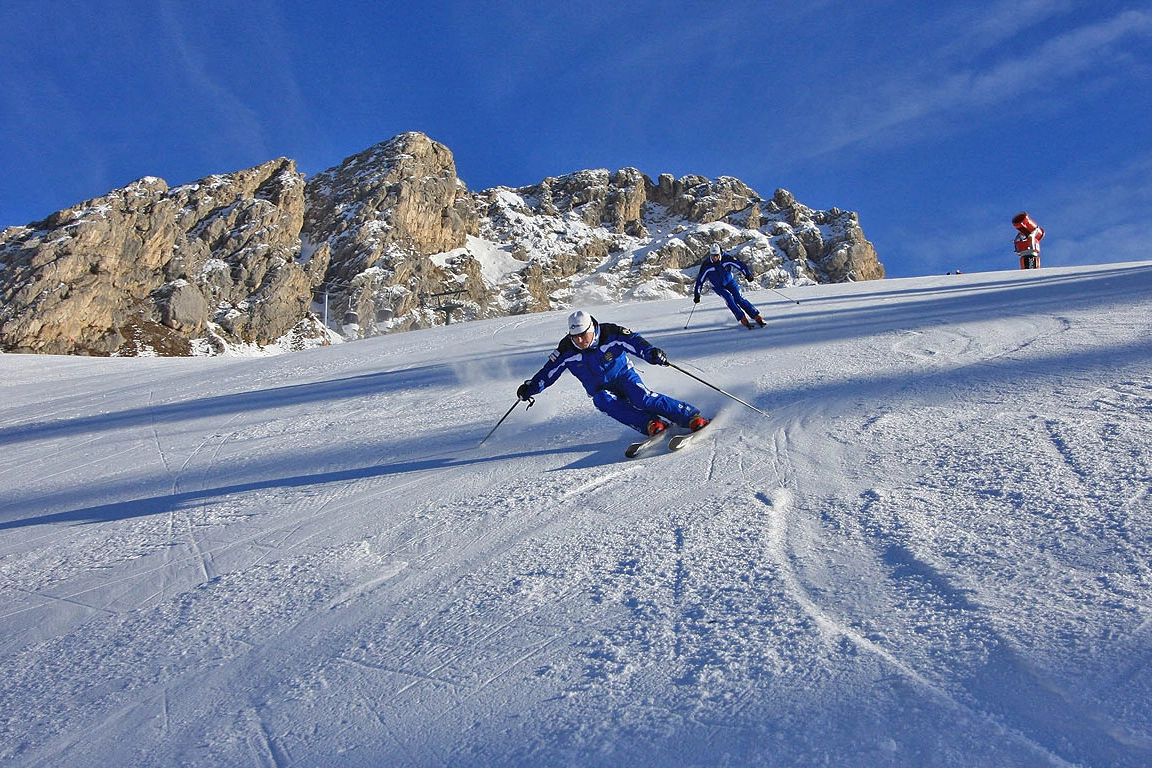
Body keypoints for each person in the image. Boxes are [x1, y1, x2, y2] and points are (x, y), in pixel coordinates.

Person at [516, 311, 709, 437]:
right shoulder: (567, 350)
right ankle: (651, 424)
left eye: (583, 334)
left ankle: (689, 417)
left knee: (641, 398)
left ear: (591, 328)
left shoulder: (610, 334)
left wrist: (651, 353)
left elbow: (634, 341)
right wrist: (530, 388)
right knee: (603, 401)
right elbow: (548, 372)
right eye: (575, 336)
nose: (580, 340)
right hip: (599, 388)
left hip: (624, 376)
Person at [693, 244, 764, 328]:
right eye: (713, 256)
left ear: (720, 253)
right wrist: (697, 294)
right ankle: (742, 318)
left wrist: (748, 274)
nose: (715, 258)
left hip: (730, 282)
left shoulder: (726, 259)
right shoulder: (707, 265)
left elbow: (739, 265)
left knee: (739, 298)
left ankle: (756, 316)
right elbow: (700, 281)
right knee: (729, 298)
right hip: (718, 287)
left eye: (716, 255)